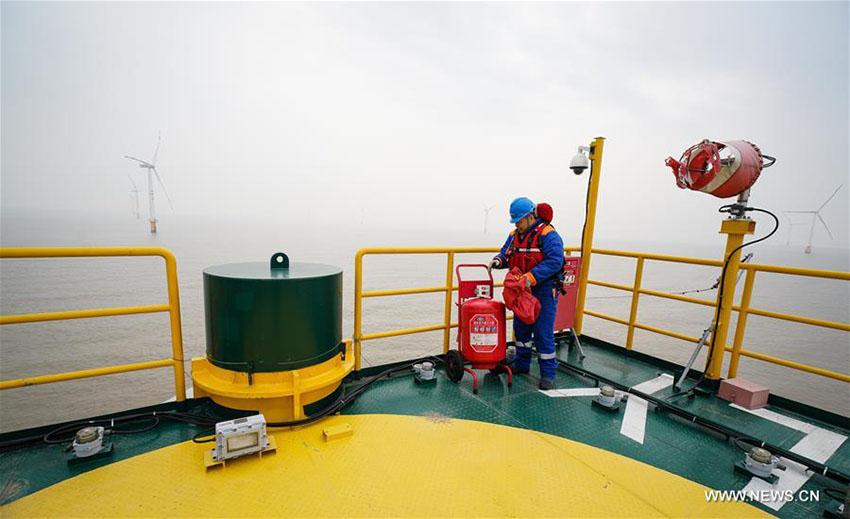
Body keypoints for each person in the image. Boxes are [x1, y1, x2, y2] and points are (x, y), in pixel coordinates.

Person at [489, 197, 564, 390]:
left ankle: (548, 374)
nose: (517, 225)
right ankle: (522, 365)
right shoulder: (515, 235)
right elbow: (506, 253)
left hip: (544, 291)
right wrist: (498, 261)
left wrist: (531, 277)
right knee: (521, 327)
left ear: (531, 217)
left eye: (519, 221)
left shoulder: (548, 234)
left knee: (542, 332)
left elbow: (555, 261)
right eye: (515, 222)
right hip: (522, 291)